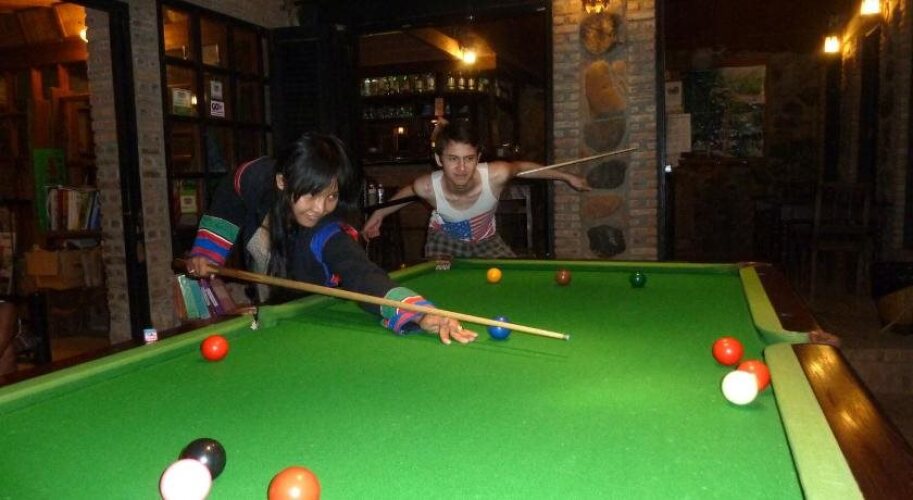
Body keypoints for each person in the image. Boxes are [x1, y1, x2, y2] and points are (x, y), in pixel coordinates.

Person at [184, 133, 476, 345]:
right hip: (268, 252)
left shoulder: (327, 233)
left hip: (309, 305)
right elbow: (229, 196)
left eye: (331, 196)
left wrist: (419, 313)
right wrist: (206, 255)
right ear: (282, 182)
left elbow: (362, 275)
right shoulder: (257, 177)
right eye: (311, 195)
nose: (320, 208)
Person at [363, 121, 591, 258]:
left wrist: (567, 177)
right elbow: (409, 191)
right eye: (453, 159)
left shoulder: (497, 174)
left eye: (469, 158)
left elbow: (523, 168)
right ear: (439, 159)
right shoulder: (427, 186)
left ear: (478, 157)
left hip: (487, 240)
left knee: (515, 280)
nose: (462, 168)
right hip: (444, 240)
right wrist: (378, 214)